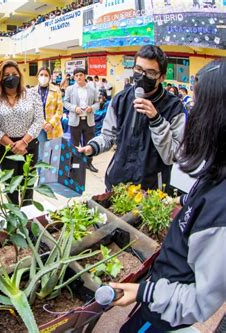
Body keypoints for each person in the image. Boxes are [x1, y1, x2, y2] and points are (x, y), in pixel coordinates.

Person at [111, 59, 226, 332]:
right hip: (162, 288)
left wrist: (144, 293)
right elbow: (199, 202)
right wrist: (182, 203)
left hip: (166, 308)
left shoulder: (222, 212)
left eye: (198, 105)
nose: (192, 111)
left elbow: (201, 300)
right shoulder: (216, 168)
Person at [78, 45, 185, 190]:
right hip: (117, 183)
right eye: (138, 70)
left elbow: (173, 155)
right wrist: (92, 147)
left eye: (150, 72)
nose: (142, 76)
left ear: (162, 77)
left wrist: (157, 120)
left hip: (151, 191)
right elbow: (108, 136)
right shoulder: (121, 99)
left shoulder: (174, 107)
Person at [0, 60, 43, 206]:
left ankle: (28, 219)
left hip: (29, 145)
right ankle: (14, 219)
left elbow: (38, 120)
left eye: (14, 74)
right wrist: (13, 146)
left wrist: (23, 142)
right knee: (10, 186)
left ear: (20, 75)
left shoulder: (32, 95)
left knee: (27, 184)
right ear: (0, 78)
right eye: (6, 75)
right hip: (6, 148)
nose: (11, 77)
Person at [64, 67, 99, 173]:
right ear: (74, 77)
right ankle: (73, 163)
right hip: (75, 120)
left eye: (81, 75)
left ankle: (88, 163)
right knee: (74, 143)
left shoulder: (92, 89)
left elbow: (97, 103)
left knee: (89, 143)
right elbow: (65, 102)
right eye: (76, 75)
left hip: (89, 121)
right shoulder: (69, 89)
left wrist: (91, 108)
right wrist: (75, 108)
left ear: (85, 76)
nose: (79, 77)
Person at [34, 67, 64, 158]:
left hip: (54, 127)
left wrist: (50, 124)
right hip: (40, 128)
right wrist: (44, 123)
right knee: (42, 154)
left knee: (54, 155)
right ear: (37, 76)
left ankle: (54, 172)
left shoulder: (56, 90)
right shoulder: (32, 91)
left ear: (50, 77)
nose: (43, 77)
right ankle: (41, 173)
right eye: (41, 75)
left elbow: (59, 110)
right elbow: (33, 111)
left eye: (46, 75)